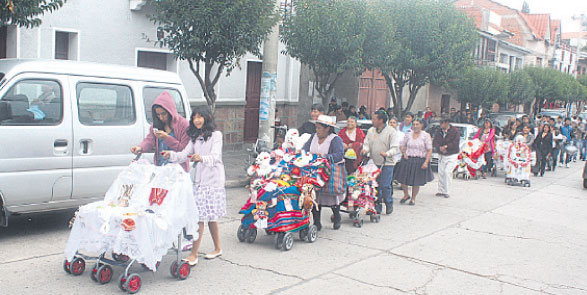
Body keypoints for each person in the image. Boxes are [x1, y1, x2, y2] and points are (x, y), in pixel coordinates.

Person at [163, 105, 225, 265]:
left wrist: (201, 158)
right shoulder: (195, 137)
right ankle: (218, 248)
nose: (197, 120)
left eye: (200, 117)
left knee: (201, 218)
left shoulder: (216, 135)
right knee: (210, 217)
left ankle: (194, 254)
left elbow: (216, 157)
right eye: (195, 117)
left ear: (207, 118)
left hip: (213, 181)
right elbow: (184, 155)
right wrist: (170, 155)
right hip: (200, 181)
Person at [302, 115, 346, 230]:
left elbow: (339, 155)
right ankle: (317, 223)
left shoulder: (335, 139)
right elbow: (305, 150)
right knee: (314, 196)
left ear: (327, 129)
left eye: (319, 128)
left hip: (329, 172)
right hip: (314, 172)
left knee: (330, 198)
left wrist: (324, 157)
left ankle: (337, 217)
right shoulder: (313, 137)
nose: (317, 130)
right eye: (316, 128)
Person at [131, 91, 191, 172]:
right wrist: (140, 147)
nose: (161, 117)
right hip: (160, 168)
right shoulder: (156, 125)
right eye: (158, 115)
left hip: (178, 171)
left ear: (170, 111)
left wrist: (167, 138)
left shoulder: (183, 124)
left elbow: (184, 150)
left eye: (163, 114)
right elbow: (149, 140)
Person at [362, 110, 399, 215]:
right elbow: (367, 143)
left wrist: (387, 153)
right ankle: (377, 206)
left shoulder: (391, 131)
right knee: (375, 184)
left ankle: (388, 202)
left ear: (381, 120)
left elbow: (395, 148)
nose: (372, 121)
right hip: (374, 162)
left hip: (387, 163)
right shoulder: (371, 131)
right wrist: (365, 150)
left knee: (385, 185)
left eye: (374, 119)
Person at [395, 119, 434, 206]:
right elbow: (402, 145)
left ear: (421, 125)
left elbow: (429, 149)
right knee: (402, 178)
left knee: (416, 181)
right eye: (414, 124)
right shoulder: (408, 134)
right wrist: (404, 153)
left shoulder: (426, 136)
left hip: (419, 160)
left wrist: (426, 162)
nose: (415, 126)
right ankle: (406, 195)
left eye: (417, 124)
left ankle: (413, 198)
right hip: (408, 159)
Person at [433, 118, 460, 198]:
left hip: (451, 154)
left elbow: (455, 142)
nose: (441, 125)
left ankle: (446, 191)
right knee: (441, 173)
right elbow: (435, 141)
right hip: (442, 154)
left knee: (447, 172)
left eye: (442, 123)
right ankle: (440, 190)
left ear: (447, 123)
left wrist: (447, 147)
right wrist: (440, 148)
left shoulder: (455, 131)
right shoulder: (439, 131)